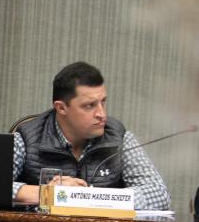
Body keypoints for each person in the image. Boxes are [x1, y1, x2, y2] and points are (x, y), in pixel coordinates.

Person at [12, 61, 170, 210]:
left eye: (103, 102)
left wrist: (90, 197)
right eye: (89, 105)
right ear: (61, 108)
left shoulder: (119, 137)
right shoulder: (27, 138)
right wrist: (49, 194)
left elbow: (159, 194)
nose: (102, 114)